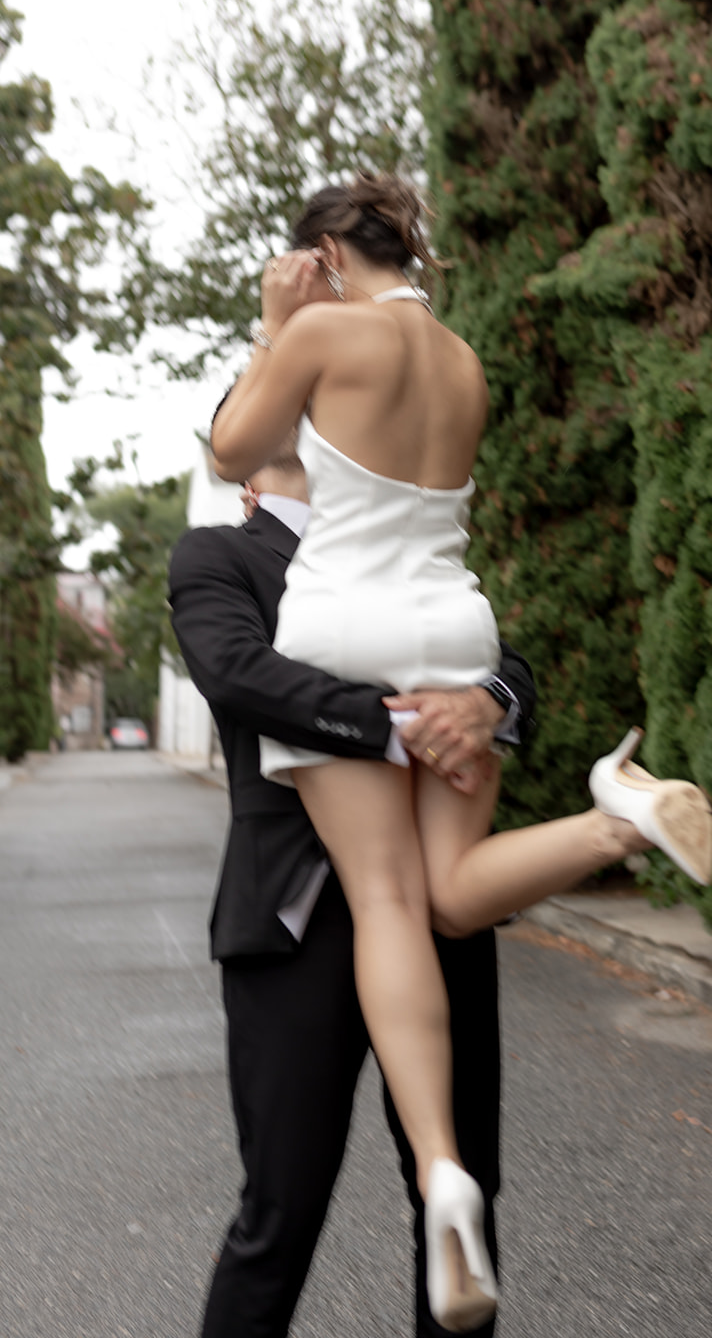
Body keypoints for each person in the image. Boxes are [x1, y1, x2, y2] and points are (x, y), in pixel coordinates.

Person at [210, 172, 712, 1332]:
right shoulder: (461, 356)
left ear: (327, 255)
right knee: (446, 899)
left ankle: (440, 1165)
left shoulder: (323, 328)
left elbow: (237, 443)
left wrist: (276, 326)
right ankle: (613, 818)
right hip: (454, 625)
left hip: (346, 625)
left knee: (385, 900)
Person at [168, 433, 536, 1338]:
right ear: (247, 466)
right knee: (281, 1211)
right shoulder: (215, 554)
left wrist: (487, 699)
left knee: (462, 1201)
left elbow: (499, 661)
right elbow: (238, 676)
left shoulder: (401, 540)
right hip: (294, 919)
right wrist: (400, 729)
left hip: (439, 923)